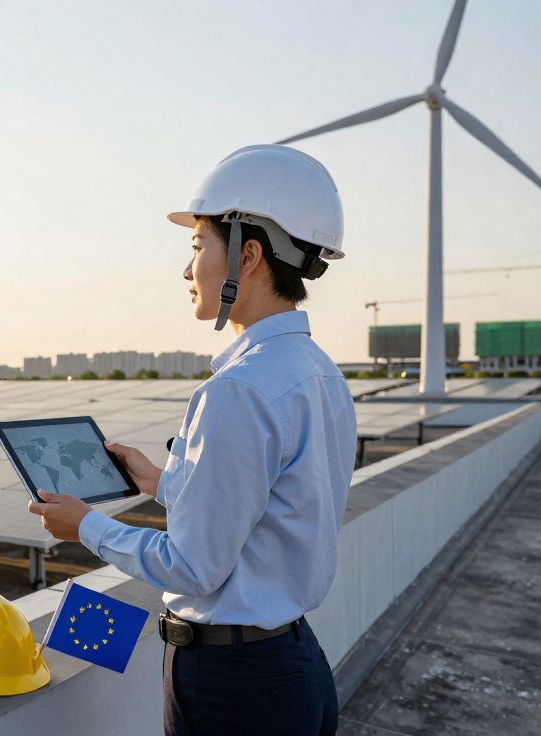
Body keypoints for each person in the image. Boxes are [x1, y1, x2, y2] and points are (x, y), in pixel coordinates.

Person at [27, 145, 357, 735]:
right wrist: (160, 481)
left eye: (198, 247)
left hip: (234, 688)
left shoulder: (239, 390)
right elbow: (269, 508)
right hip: (293, 666)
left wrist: (86, 527)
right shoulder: (317, 370)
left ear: (248, 256)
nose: (187, 271)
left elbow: (193, 567)